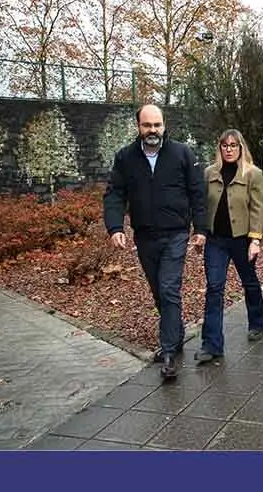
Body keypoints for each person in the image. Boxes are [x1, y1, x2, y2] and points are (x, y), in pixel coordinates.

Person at [103, 104, 207, 380]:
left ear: (164, 125)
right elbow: (114, 194)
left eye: (157, 125)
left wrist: (201, 229)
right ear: (138, 126)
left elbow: (198, 192)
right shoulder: (125, 158)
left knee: (168, 287)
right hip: (145, 236)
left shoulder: (181, 153)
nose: (153, 131)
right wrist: (115, 227)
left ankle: (169, 352)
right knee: (159, 291)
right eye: (147, 125)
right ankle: (176, 332)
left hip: (175, 234)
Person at [197, 129, 263, 364]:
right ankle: (212, 344)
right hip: (216, 241)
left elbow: (258, 208)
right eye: (225, 145)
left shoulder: (253, 174)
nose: (229, 149)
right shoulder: (209, 173)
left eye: (233, 145)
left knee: (249, 281)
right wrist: (199, 233)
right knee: (214, 288)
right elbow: (201, 205)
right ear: (219, 148)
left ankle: (257, 321)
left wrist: (255, 239)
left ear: (241, 148)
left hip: (242, 240)